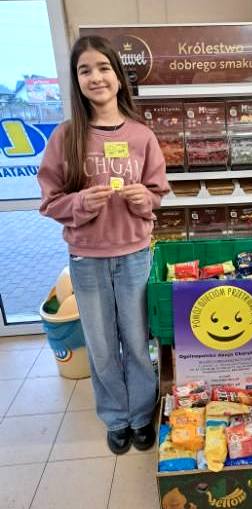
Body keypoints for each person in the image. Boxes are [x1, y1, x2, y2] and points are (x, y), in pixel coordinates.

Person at [37, 35, 170, 455]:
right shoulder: (66, 137)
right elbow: (49, 201)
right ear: (76, 80)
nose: (95, 77)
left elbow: (157, 194)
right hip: (87, 259)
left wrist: (143, 198)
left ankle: (141, 414)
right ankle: (116, 418)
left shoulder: (142, 136)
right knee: (100, 346)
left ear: (118, 76)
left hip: (134, 256)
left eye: (103, 68)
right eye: (85, 70)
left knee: (137, 342)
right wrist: (79, 203)